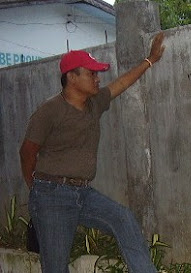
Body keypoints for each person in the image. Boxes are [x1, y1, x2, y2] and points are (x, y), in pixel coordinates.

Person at [19, 32, 166, 273]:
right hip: (51, 196)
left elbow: (121, 83)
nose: (97, 78)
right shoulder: (50, 111)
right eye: (91, 73)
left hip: (83, 193)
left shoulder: (95, 103)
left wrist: (150, 60)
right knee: (55, 266)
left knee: (123, 219)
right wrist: (36, 189)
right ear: (72, 77)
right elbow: (27, 152)